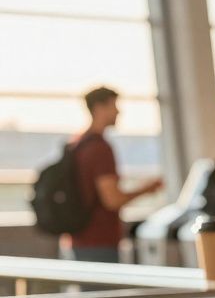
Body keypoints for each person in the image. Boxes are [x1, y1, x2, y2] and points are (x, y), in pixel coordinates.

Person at [67, 86, 163, 263]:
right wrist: (147, 189)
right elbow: (112, 200)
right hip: (99, 240)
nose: (119, 111)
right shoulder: (99, 148)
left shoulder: (77, 143)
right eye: (114, 106)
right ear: (99, 108)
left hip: (79, 238)